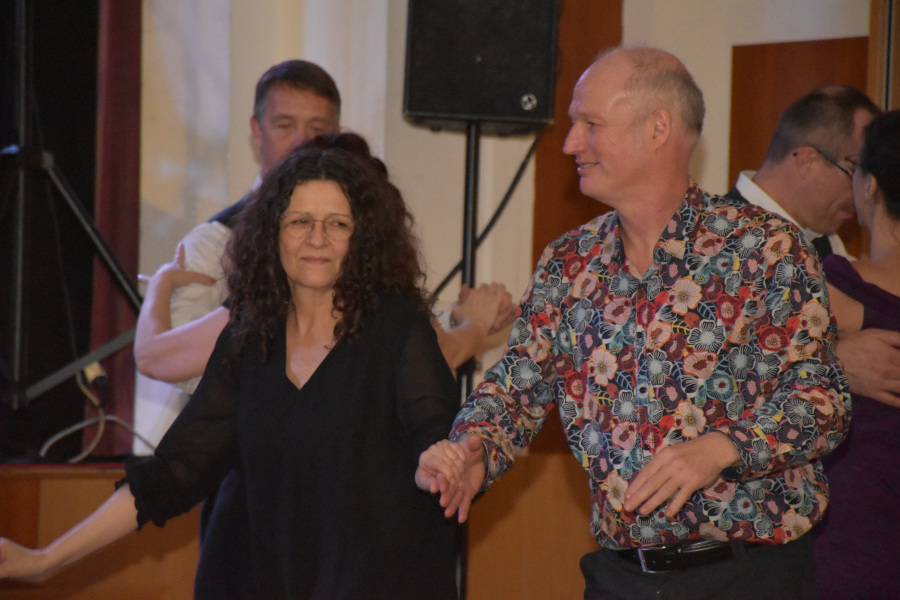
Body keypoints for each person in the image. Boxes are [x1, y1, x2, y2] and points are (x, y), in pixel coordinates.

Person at [416, 46, 850, 600]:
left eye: (591, 124)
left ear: (657, 128)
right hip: (621, 578)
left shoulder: (766, 248)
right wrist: (470, 448)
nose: (570, 143)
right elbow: (515, 390)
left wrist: (722, 448)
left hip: (749, 576)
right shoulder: (569, 262)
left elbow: (823, 400)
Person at [0, 137, 463, 599]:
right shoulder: (248, 340)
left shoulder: (398, 329)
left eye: (337, 223)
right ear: (271, 233)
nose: (317, 238)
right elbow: (173, 472)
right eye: (299, 221)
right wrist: (45, 560)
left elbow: (440, 438)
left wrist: (439, 464)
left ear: (362, 238)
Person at [134, 58, 515, 450]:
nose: (300, 142)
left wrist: (469, 324)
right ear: (257, 131)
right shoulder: (221, 248)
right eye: (285, 125)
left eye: (338, 223)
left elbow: (419, 357)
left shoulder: (376, 292)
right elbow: (160, 359)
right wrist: (473, 326)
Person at [724, 86, 900, 408]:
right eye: (854, 166)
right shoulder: (716, 238)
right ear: (808, 160)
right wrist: (832, 360)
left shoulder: (829, 243)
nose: (860, 187)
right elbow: (695, 359)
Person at [812, 110, 900, 599]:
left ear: (868, 186)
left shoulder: (843, 289)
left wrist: (831, 360)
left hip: (859, 527)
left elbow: (740, 369)